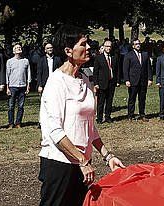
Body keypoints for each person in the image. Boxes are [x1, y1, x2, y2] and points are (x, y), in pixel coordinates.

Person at [38, 34, 127, 206]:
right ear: (68, 51)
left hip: (82, 164)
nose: (88, 48)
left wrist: (108, 156)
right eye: (83, 45)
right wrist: (82, 161)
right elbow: (55, 131)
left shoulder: (84, 80)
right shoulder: (56, 83)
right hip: (60, 164)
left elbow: (89, 127)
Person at [122, 38, 151, 120]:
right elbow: (125, 69)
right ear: (133, 46)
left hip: (143, 81)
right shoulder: (128, 55)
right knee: (132, 99)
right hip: (133, 81)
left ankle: (142, 114)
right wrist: (127, 80)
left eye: (139, 43)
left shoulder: (145, 54)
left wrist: (150, 78)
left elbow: (148, 67)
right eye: (136, 44)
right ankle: (130, 115)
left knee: (142, 99)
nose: (138, 45)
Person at [92, 39, 118, 124]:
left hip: (111, 82)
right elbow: (95, 72)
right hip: (102, 83)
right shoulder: (99, 58)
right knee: (101, 102)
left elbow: (117, 70)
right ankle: (99, 118)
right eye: (107, 46)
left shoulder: (114, 57)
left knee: (109, 101)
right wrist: (96, 83)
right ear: (103, 47)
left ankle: (108, 116)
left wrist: (116, 81)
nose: (108, 48)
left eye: (110, 46)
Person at [6, 43, 32, 129]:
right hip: (12, 86)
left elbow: (29, 74)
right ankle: (10, 123)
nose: (19, 48)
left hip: (23, 86)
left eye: (20, 47)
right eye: (17, 48)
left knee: (21, 106)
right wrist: (7, 87)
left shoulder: (26, 61)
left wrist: (28, 86)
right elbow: (7, 75)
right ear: (13, 51)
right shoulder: (9, 61)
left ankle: (18, 123)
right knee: (11, 106)